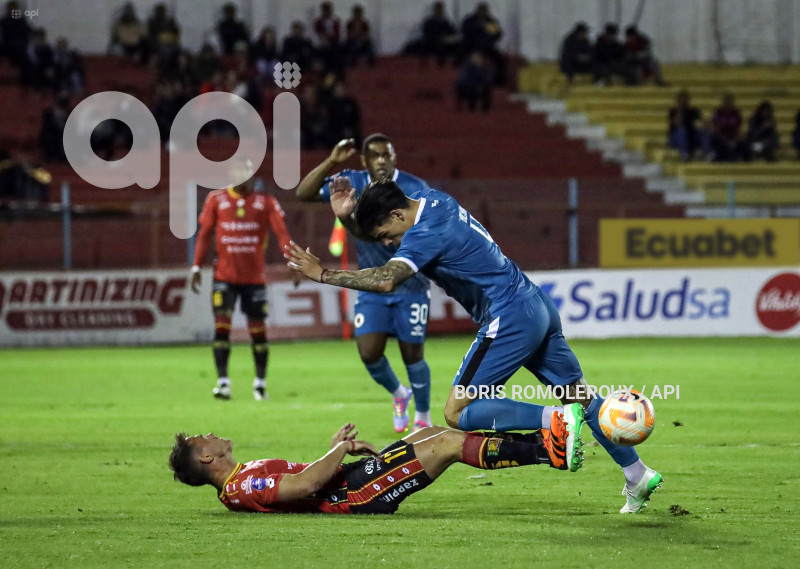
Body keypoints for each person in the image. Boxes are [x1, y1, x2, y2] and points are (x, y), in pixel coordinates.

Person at [285, 180, 663, 514]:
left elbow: (386, 280)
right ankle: (636, 473)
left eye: (386, 235)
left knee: (457, 411)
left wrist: (323, 274)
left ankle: (552, 420)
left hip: (509, 315)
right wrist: (350, 219)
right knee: (580, 398)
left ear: (398, 215)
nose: (387, 244)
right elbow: (388, 242)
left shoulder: (424, 234)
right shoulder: (432, 200)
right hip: (536, 305)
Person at [295, 135, 434, 434]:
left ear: (395, 157)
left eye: (387, 154)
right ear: (364, 160)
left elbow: (379, 235)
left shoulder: (414, 188)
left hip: (410, 282)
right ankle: (400, 394)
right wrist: (332, 162)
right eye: (375, 156)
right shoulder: (351, 180)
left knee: (412, 354)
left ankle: (423, 414)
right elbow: (303, 194)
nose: (382, 160)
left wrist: (346, 219)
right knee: (369, 353)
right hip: (370, 282)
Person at [169, 416, 584, 514]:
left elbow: (305, 475)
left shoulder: (242, 476)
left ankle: (545, 440)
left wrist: (333, 450)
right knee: (445, 445)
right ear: (206, 458)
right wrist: (340, 451)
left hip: (348, 479)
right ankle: (551, 451)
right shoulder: (240, 489)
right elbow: (304, 486)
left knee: (428, 432)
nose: (209, 433)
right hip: (357, 494)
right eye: (200, 438)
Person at [191, 159, 295, 401]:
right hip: (223, 277)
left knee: (258, 333)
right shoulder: (215, 200)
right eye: (238, 170)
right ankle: (223, 383)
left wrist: (293, 260)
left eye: (246, 170)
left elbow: (282, 233)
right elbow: (204, 234)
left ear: (253, 174)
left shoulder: (266, 201)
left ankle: (260, 384)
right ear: (230, 172)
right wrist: (196, 266)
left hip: (254, 278)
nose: (242, 175)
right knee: (221, 330)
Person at [460, 3, 506, 85]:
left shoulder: (489, 21)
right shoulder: (470, 20)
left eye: (484, 10)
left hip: (487, 47)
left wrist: (489, 30)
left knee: (501, 60)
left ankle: (498, 82)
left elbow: (497, 35)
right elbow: (465, 33)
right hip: (472, 48)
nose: (482, 12)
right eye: (481, 10)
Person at [668, 90, 708, 161]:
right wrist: (680, 110)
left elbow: (703, 122)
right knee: (682, 131)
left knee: (702, 132)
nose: (684, 102)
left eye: (685, 100)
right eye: (681, 100)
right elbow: (677, 123)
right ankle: (684, 153)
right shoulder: (673, 111)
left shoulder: (693, 111)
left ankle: (705, 152)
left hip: (691, 136)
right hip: (677, 138)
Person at [711, 93, 749, 162]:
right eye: (726, 102)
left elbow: (740, 128)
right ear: (723, 102)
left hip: (734, 138)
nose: (728, 104)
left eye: (730, 102)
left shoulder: (736, 113)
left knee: (744, 142)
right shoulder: (718, 112)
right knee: (715, 139)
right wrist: (726, 141)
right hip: (721, 139)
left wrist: (734, 140)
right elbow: (715, 129)